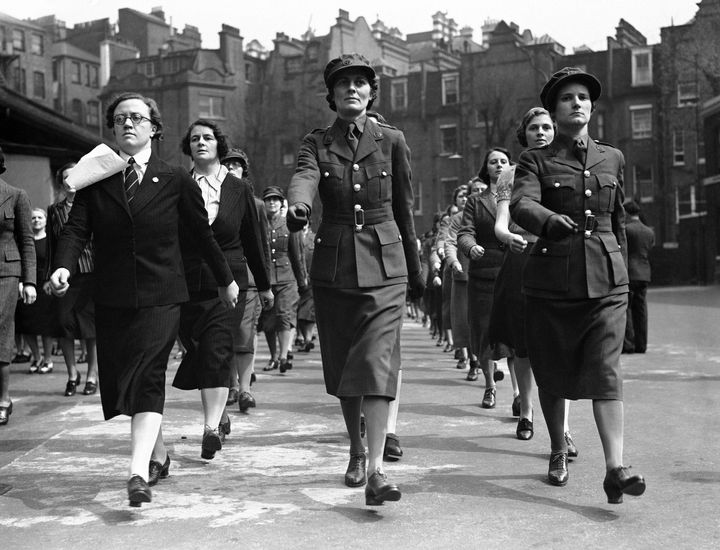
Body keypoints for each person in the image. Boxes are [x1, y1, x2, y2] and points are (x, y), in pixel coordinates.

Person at [49, 92, 239, 507]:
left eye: (137, 118)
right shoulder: (96, 177)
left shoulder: (175, 180)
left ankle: (136, 473)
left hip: (163, 294)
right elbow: (76, 229)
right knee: (123, 383)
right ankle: (158, 454)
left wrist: (226, 280)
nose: (128, 125)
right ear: (112, 129)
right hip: (113, 294)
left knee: (148, 374)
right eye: (119, 120)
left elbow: (201, 235)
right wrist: (61, 266)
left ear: (154, 126)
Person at [285, 53, 424, 506]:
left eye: (360, 83)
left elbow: (404, 209)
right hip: (336, 264)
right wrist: (299, 207)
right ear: (331, 94)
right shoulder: (317, 143)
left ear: (371, 92)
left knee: (376, 362)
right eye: (343, 83)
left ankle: (379, 470)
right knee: (346, 363)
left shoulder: (392, 140)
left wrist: (416, 271)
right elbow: (304, 177)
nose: (352, 89)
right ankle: (356, 449)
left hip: (386, 266)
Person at [510, 67, 646, 503]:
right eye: (567, 98)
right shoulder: (535, 160)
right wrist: (548, 221)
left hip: (607, 281)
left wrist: (622, 272)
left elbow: (619, 221)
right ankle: (557, 448)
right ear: (554, 108)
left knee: (606, 371)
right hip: (552, 281)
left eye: (583, 97)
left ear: (591, 107)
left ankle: (615, 467)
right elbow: (521, 203)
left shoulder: (612, 158)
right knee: (552, 372)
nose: (577, 103)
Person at [173, 120, 273, 459]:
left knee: (217, 348)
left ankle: (210, 428)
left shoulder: (238, 188)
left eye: (208, 138)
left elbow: (252, 241)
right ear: (188, 146)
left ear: (220, 144)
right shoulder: (178, 185)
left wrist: (264, 285)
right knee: (199, 351)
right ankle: (221, 414)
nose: (201, 142)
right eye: (195, 139)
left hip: (230, 283)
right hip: (188, 281)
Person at [491, 107, 578, 449]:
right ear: (523, 134)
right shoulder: (509, 175)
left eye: (546, 127)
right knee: (524, 345)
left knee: (561, 347)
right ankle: (526, 412)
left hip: (560, 260)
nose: (541, 133)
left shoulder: (571, 166)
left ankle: (565, 429)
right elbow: (501, 220)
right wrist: (505, 236)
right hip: (522, 259)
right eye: (533, 128)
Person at [457, 148, 513, 408]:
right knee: (485, 332)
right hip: (483, 275)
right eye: (493, 162)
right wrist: (471, 247)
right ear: (486, 168)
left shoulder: (521, 197)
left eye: (503, 161)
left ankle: (518, 393)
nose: (499, 165)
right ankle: (490, 387)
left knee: (516, 337)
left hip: (514, 272)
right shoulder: (475, 201)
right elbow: (465, 232)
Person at [221, 148, 271, 413]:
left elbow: (261, 245)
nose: (231, 168)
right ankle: (229, 384)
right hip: (220, 279)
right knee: (223, 336)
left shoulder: (257, 204)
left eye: (236, 165)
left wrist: (266, 284)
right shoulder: (211, 199)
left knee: (244, 334)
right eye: (226, 164)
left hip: (249, 280)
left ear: (244, 170)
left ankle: (245, 390)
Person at [46, 163, 99, 395]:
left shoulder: (95, 206)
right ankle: (71, 374)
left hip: (91, 274)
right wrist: (49, 276)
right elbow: (52, 246)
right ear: (62, 183)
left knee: (90, 328)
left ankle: (91, 375)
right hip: (65, 277)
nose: (72, 181)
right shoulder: (54, 210)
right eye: (67, 178)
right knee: (63, 324)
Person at [0, 146, 37, 426]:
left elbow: (27, 241)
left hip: (6, 273)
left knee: (1, 329)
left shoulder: (16, 195)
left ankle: (3, 398)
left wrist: (29, 281)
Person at [260, 186, 306, 374]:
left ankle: (283, 356)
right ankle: (273, 356)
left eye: (276, 199)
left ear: (281, 204)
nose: (272, 202)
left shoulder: (289, 224)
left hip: (287, 278)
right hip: (266, 279)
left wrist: (302, 278)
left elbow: (297, 254)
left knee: (284, 315)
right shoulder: (259, 223)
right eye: (269, 199)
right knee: (268, 321)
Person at [16, 208, 54, 375]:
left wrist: (51, 282)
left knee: (46, 326)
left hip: (45, 286)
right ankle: (36, 357)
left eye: (40, 217)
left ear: (46, 220)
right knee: (27, 324)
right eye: (33, 218)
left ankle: (48, 359)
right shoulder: (25, 241)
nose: (36, 220)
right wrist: (20, 282)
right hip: (28, 285)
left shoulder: (50, 241)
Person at [622, 199, 655, 354]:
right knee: (641, 309)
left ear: (627, 213)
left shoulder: (626, 230)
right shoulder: (649, 231)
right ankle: (642, 345)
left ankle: (628, 345)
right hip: (644, 274)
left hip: (629, 273)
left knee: (627, 308)